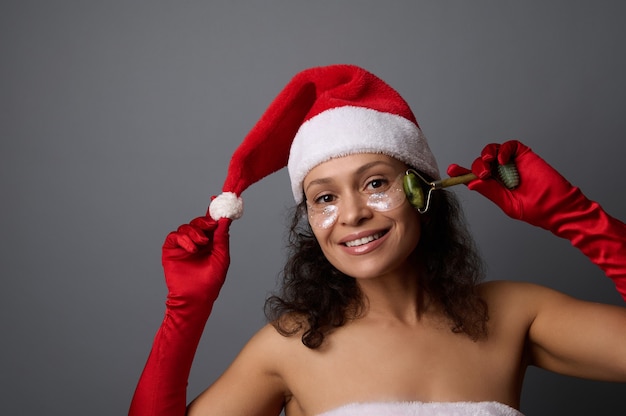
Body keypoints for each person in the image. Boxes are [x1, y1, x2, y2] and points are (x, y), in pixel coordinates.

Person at [129, 64, 626, 416]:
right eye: (324, 198)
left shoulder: (517, 313)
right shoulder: (289, 347)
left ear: (423, 190)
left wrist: (577, 217)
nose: (352, 213)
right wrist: (183, 312)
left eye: (375, 183)